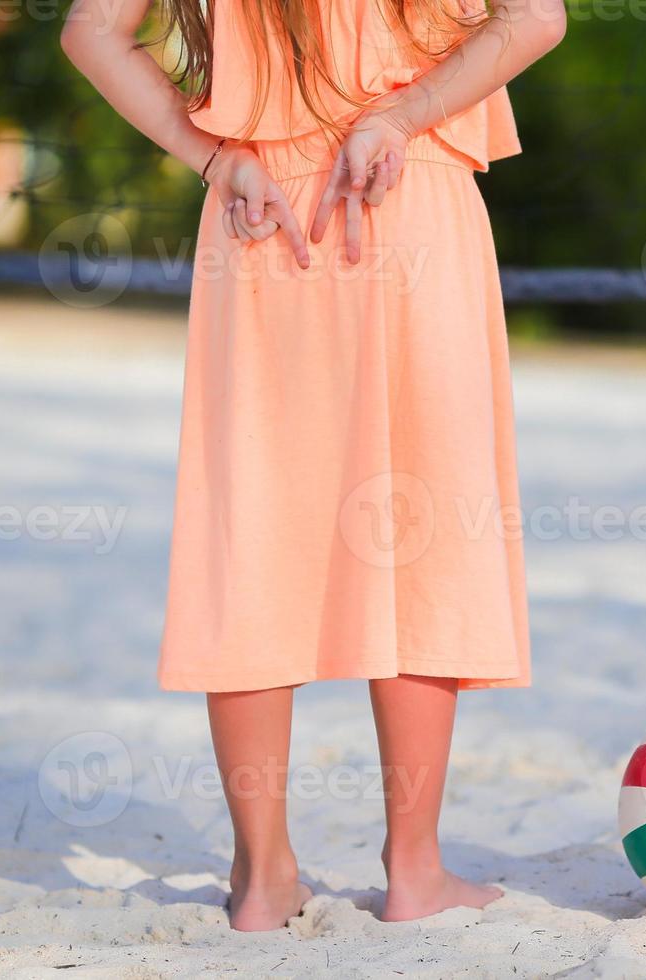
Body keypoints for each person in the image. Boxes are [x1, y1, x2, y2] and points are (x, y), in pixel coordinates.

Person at [61, 0, 565, 931]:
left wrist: (217, 157)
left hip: (264, 207)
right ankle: (414, 869)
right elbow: (536, 18)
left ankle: (262, 879)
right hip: (408, 188)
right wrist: (397, 116)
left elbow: (91, 32)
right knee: (423, 531)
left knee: (255, 533)